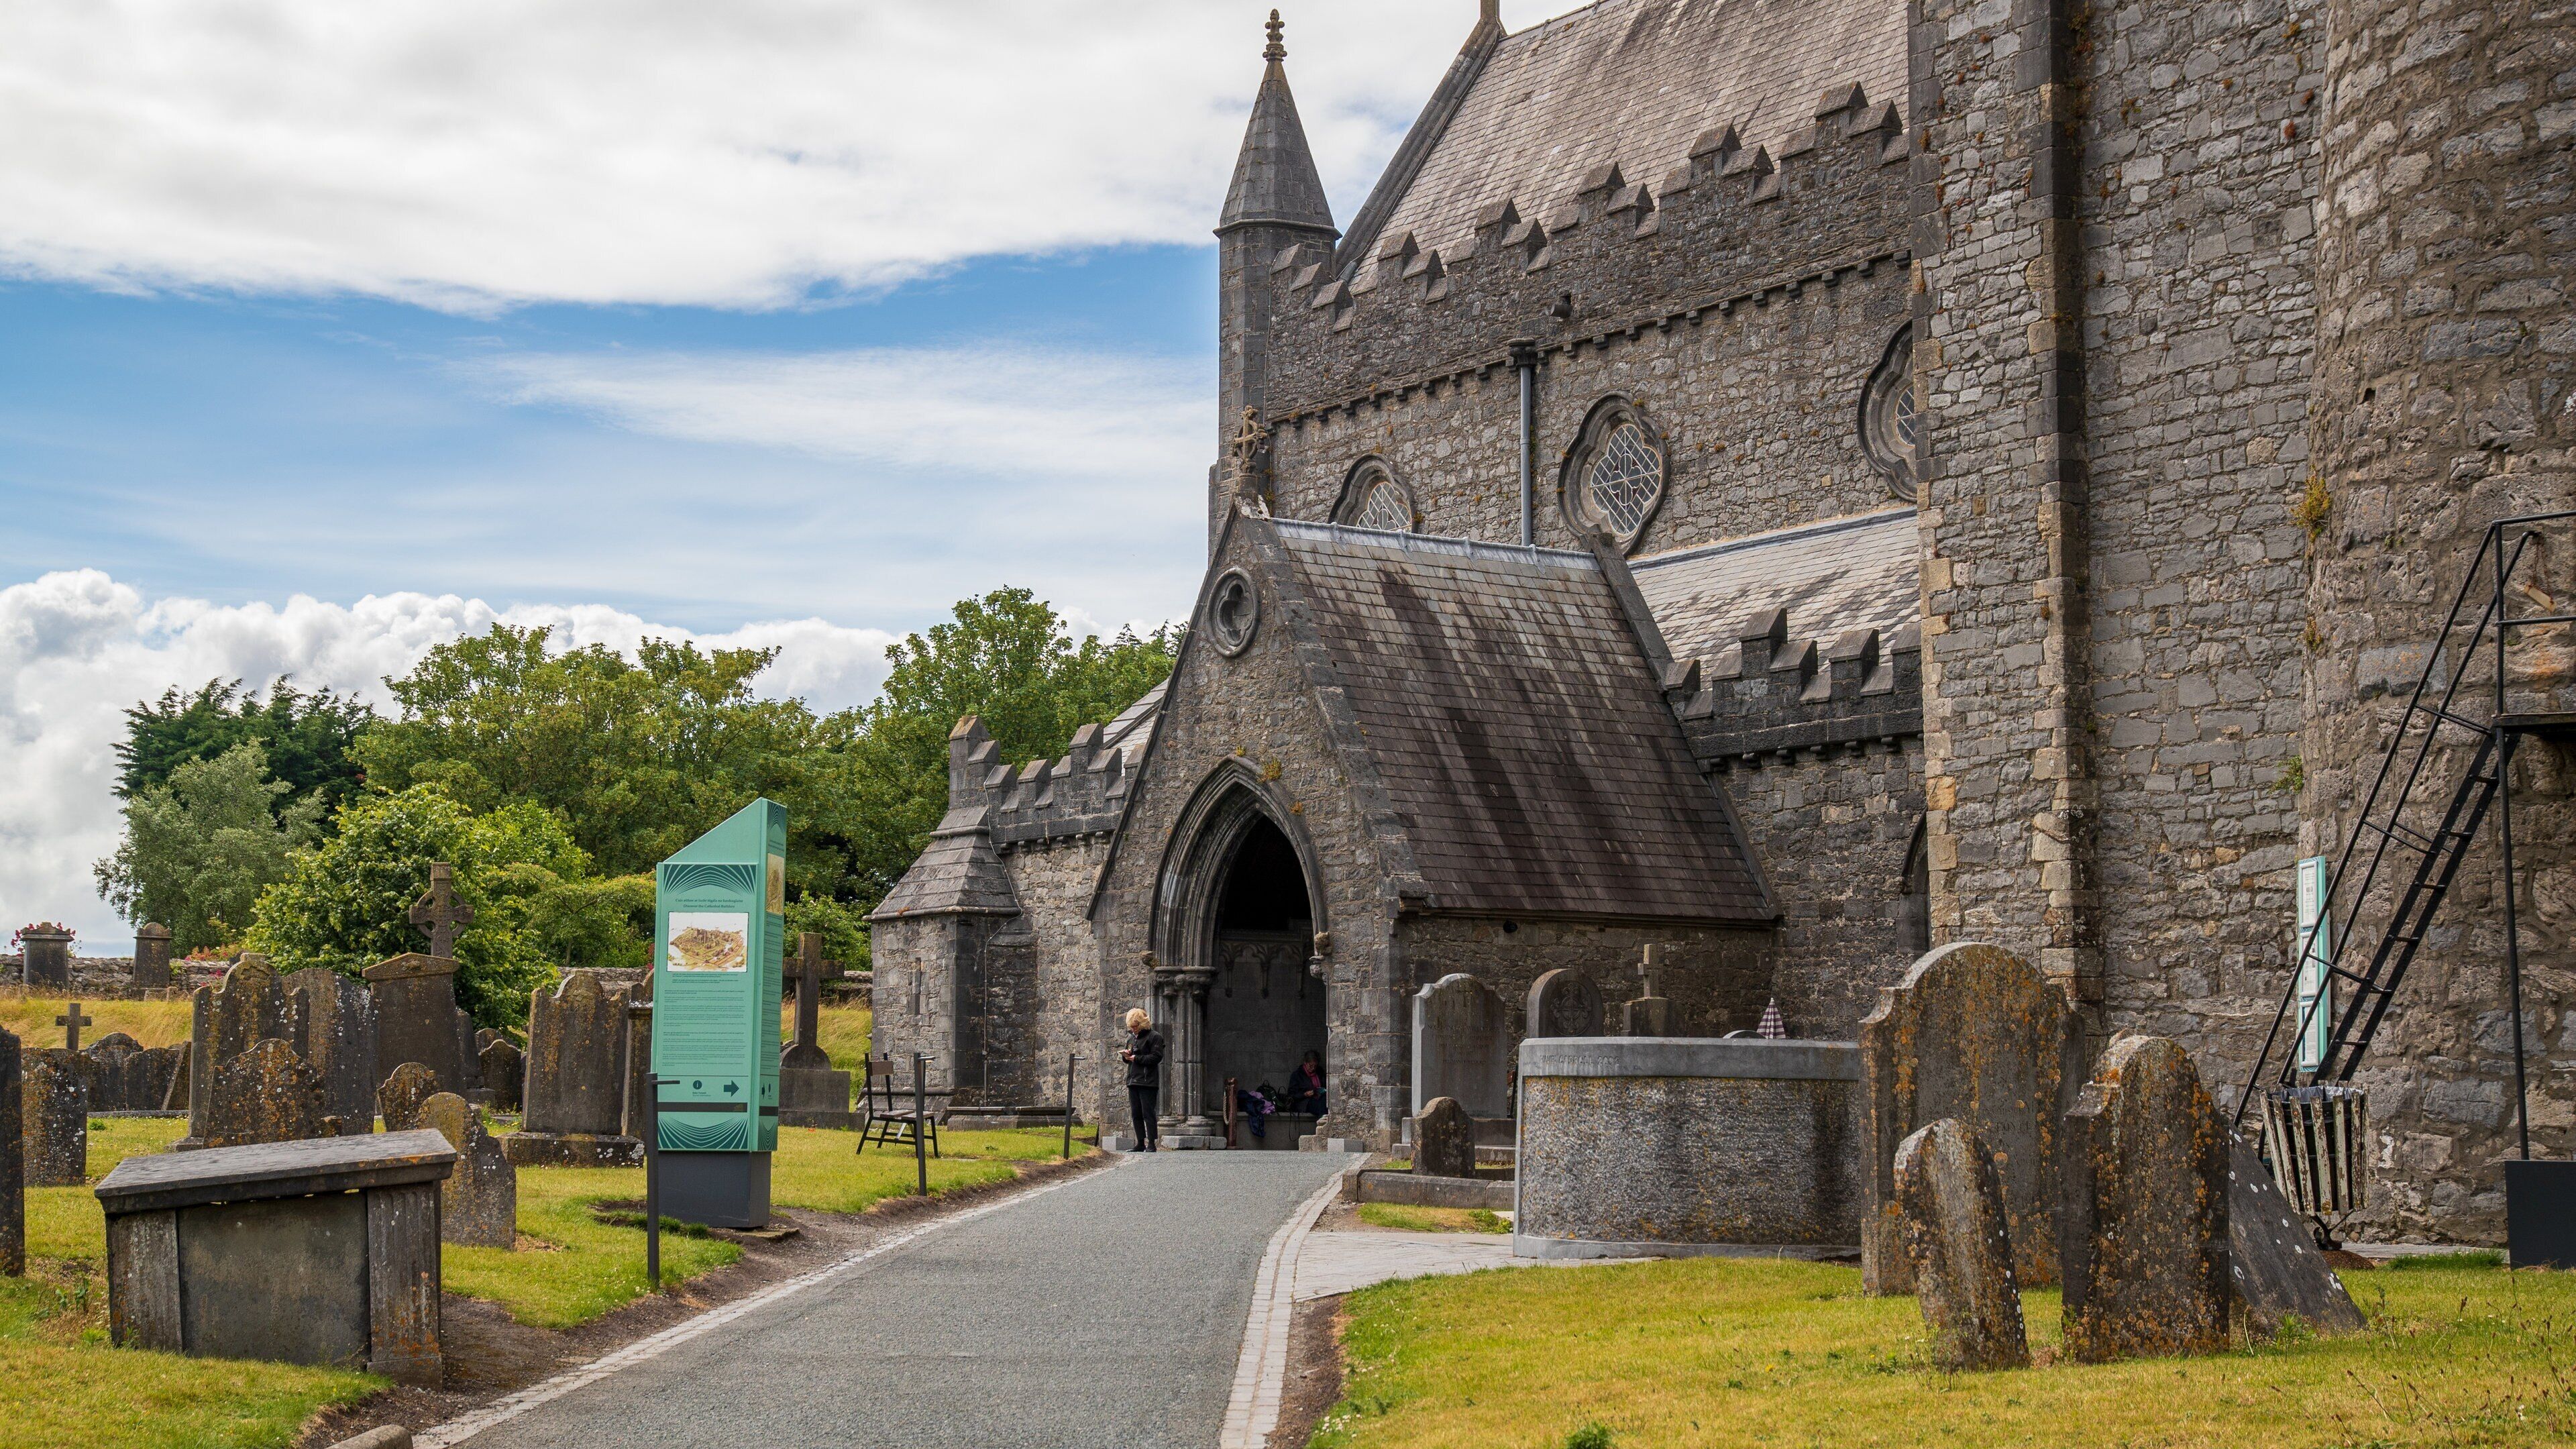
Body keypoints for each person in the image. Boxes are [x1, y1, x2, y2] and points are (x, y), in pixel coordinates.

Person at [1119, 1008, 1165, 1151]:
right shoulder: (1131, 1039)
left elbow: (1156, 1057)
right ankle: (1140, 1143)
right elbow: (1128, 1061)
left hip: (1148, 1082)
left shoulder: (1154, 1037)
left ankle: (1151, 1143)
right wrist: (1126, 1056)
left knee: (1148, 1113)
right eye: (1131, 1027)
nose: (1133, 1029)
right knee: (1136, 1113)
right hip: (1133, 1081)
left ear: (1142, 1023)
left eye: (1135, 1026)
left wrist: (1137, 1058)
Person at [1283, 1049, 1326, 1117]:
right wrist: (1305, 1094)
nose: (1313, 1068)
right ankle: (1323, 1123)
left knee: (1325, 1102)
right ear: (1305, 1063)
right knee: (1321, 1105)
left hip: (1320, 1099)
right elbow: (1291, 1095)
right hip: (1305, 1102)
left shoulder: (1320, 1073)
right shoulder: (1297, 1075)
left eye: (1315, 1066)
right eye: (1311, 1066)